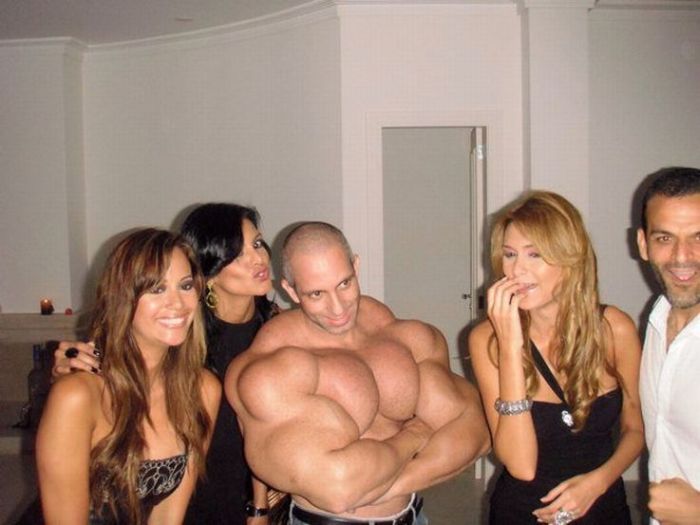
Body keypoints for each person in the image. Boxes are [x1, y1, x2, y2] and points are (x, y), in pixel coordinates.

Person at [225, 221, 490, 525]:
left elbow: (475, 432)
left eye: (345, 284)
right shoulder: (271, 368)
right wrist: (415, 435)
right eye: (316, 294)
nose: (338, 308)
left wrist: (390, 488)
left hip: (414, 516)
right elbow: (338, 489)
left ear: (356, 266)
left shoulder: (397, 333)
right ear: (290, 290)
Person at [52, 203, 279, 525]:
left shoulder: (272, 335)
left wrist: (262, 499)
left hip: (231, 500)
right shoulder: (175, 337)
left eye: (257, 244)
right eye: (236, 253)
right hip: (193, 503)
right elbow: (111, 362)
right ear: (209, 274)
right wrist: (70, 369)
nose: (258, 259)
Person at [469, 191, 644, 524]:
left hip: (603, 505)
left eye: (534, 254)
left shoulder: (613, 328)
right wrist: (510, 347)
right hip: (523, 511)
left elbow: (635, 428)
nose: (516, 269)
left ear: (570, 260)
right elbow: (521, 465)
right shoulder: (487, 340)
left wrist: (599, 482)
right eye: (509, 254)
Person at [37, 228, 221, 524]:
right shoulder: (77, 395)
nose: (178, 303)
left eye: (186, 286)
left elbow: (168, 516)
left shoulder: (203, 390)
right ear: (122, 298)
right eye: (157, 289)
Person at [637, 167, 700, 524]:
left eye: (699, 237)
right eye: (665, 238)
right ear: (643, 244)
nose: (682, 257)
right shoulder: (657, 318)